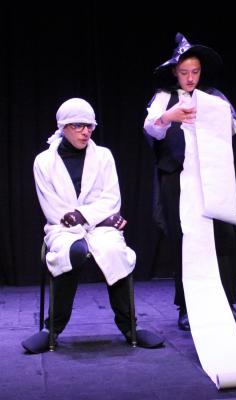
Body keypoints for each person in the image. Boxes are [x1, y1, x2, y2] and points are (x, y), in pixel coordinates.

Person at [22, 98, 163, 353]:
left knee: (113, 252)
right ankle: (51, 329)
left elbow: (111, 199)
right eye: (78, 126)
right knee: (73, 252)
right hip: (62, 229)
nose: (85, 131)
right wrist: (96, 218)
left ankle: (130, 327)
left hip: (100, 228)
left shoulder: (103, 156)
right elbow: (53, 208)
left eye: (90, 126)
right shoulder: (43, 161)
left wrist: (83, 216)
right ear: (63, 126)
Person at [143, 33, 236, 331]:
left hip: (212, 178)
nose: (190, 78)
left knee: (223, 238)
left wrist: (209, 114)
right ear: (174, 72)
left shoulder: (214, 96)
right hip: (177, 179)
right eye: (184, 72)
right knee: (184, 241)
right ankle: (186, 307)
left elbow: (232, 126)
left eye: (195, 72)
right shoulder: (163, 97)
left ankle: (227, 305)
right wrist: (170, 116)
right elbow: (151, 128)